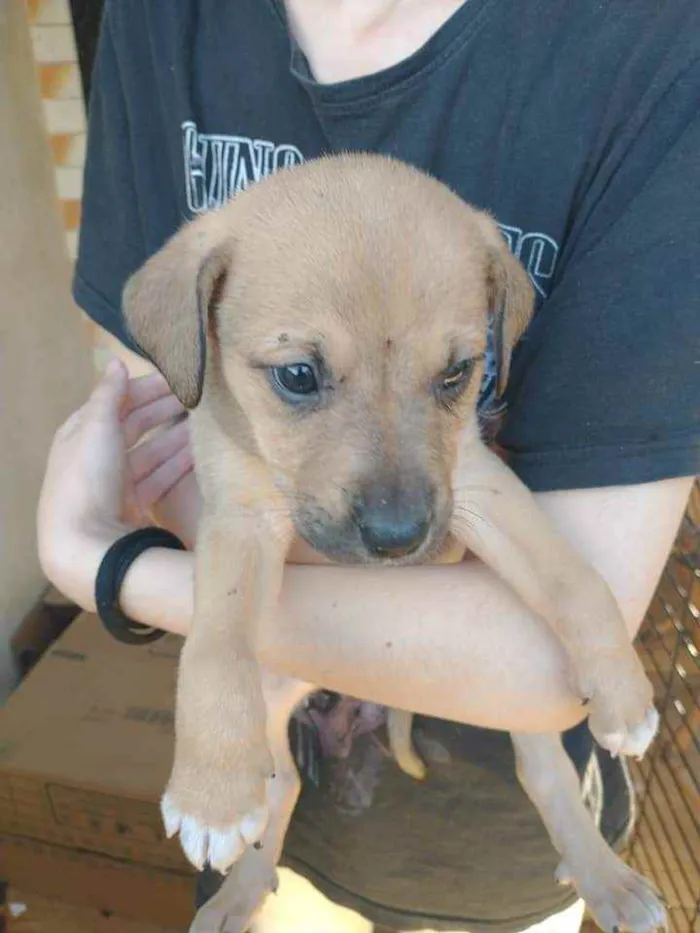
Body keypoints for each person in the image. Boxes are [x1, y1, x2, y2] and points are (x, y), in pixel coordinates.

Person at [38, 1, 700, 931]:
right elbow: (179, 456)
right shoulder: (163, 23)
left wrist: (109, 568)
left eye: (453, 376)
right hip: (306, 815)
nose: (396, 508)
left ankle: (584, 854)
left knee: (538, 738)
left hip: (487, 868)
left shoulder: (655, 56)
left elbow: (542, 668)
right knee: (258, 724)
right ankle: (250, 871)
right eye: (303, 377)